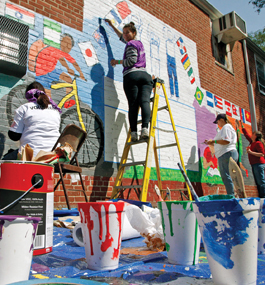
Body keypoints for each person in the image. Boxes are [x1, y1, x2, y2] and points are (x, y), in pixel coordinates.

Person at [105, 20, 153, 141]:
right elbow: (121, 37)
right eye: (124, 33)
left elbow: (131, 60)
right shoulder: (138, 43)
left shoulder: (131, 44)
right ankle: (145, 129)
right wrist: (111, 25)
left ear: (134, 33)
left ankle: (134, 133)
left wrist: (117, 62)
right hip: (145, 76)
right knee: (145, 102)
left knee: (133, 104)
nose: (125, 35)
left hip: (132, 75)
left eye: (128, 33)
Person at [3, 81, 61, 160]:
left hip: (31, 155)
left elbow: (14, 136)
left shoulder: (25, 108)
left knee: (4, 160)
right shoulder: (56, 110)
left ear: (28, 95)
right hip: (53, 156)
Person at [204, 113, 238, 195]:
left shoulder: (226, 127)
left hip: (226, 153)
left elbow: (226, 141)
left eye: (217, 122)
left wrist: (214, 141)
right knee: (229, 176)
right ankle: (232, 194)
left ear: (221, 120)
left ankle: (231, 196)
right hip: (228, 153)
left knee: (226, 176)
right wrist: (210, 143)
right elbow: (221, 142)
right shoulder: (228, 128)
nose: (218, 124)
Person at [240, 120, 265, 198]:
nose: (251, 135)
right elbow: (247, 135)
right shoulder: (252, 142)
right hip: (254, 164)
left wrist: (250, 152)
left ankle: (263, 197)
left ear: (256, 136)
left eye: (253, 134)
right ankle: (261, 197)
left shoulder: (258, 143)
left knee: (261, 181)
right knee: (258, 182)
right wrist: (242, 126)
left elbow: (262, 154)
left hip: (259, 164)